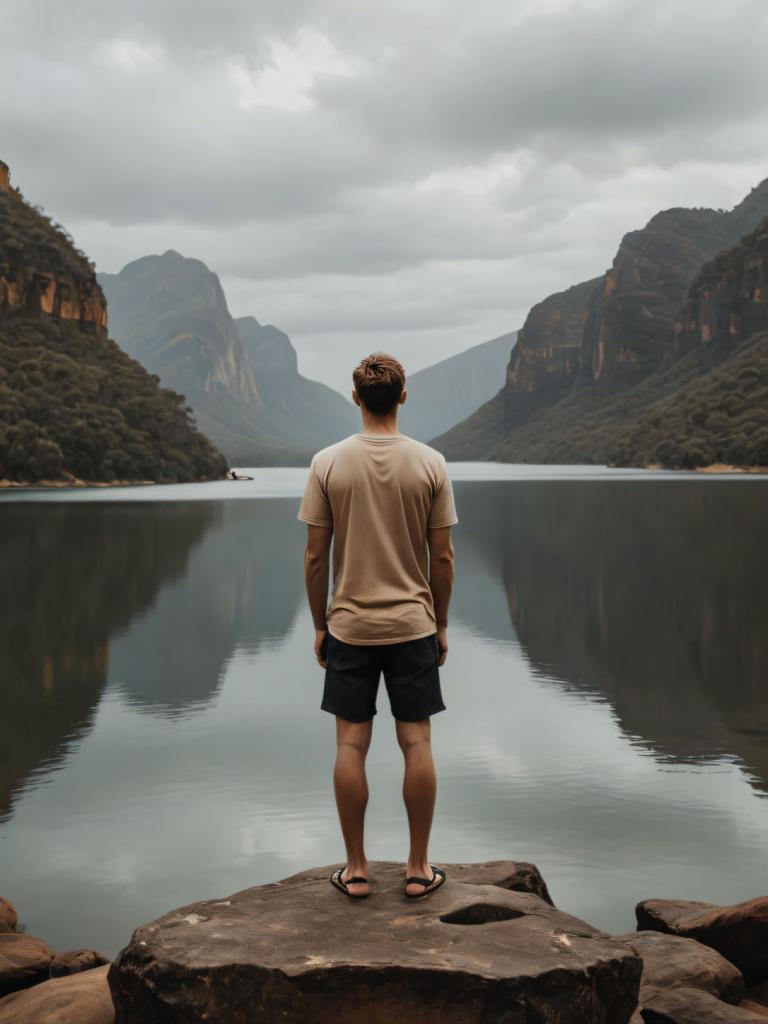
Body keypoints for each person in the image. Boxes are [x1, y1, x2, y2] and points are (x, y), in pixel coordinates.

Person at [297, 353, 458, 901]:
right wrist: (439, 623)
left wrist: (320, 624)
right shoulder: (431, 463)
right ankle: (417, 870)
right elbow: (444, 558)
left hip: (351, 627)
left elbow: (315, 558)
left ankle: (358, 870)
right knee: (416, 742)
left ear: (357, 398)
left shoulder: (327, 463)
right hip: (414, 624)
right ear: (403, 397)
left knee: (350, 744)